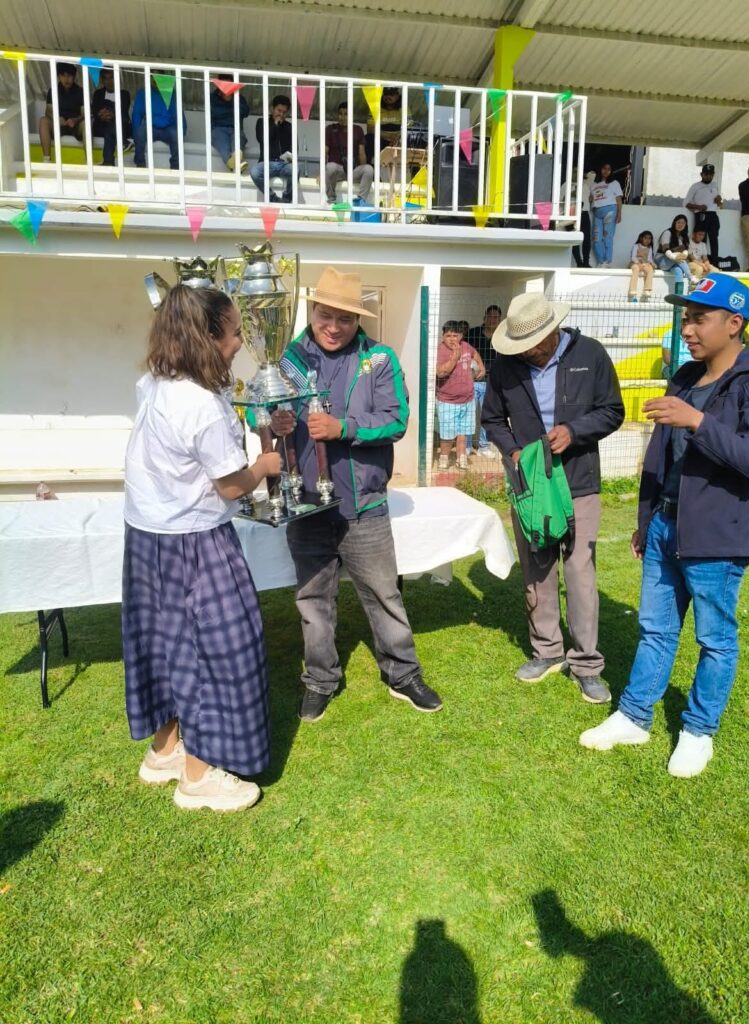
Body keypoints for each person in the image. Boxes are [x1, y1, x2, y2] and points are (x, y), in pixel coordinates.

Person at [580, 274, 749, 778]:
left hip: (718, 536)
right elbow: (659, 455)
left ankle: (698, 731)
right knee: (656, 629)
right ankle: (634, 717)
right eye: (686, 318)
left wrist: (698, 422)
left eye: (699, 318)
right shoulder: (684, 376)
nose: (687, 328)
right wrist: (646, 520)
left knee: (715, 638)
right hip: (666, 525)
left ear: (734, 323)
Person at [122, 285, 281, 812]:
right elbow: (231, 485)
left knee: (163, 645)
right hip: (193, 541)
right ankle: (198, 776)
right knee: (219, 649)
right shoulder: (201, 405)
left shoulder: (156, 382)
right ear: (205, 338)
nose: (238, 344)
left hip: (147, 536)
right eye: (233, 333)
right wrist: (264, 465)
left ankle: (164, 750)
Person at [274, 267, 443, 722]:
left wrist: (343, 428)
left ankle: (402, 673)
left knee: (384, 594)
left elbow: (396, 419)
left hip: (363, 505)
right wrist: (270, 421)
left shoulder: (379, 359)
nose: (333, 327)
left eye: (344, 319)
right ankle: (320, 679)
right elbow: (260, 409)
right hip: (306, 505)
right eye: (325, 316)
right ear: (312, 311)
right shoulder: (289, 359)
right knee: (313, 600)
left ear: (358, 320)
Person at [482, 293, 625, 703]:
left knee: (579, 571)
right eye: (522, 346)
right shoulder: (506, 365)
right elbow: (492, 419)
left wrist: (574, 432)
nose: (529, 352)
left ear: (552, 330)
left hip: (578, 481)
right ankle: (547, 651)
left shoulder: (591, 355)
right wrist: (514, 452)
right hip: (530, 485)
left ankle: (586, 664)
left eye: (535, 344)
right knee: (537, 569)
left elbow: (612, 411)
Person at [436, 320, 484, 471]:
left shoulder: (466, 346)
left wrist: (481, 367)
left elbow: (475, 353)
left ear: (461, 336)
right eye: (448, 335)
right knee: (447, 434)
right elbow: (440, 372)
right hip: (447, 401)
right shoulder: (440, 350)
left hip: (468, 399)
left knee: (463, 432)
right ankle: (444, 458)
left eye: (455, 335)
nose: (451, 339)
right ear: (443, 336)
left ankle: (461, 458)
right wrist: (455, 357)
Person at [466, 305, 503, 456]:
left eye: (496, 317)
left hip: (492, 383)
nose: (492, 320)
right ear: (484, 317)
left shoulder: (502, 336)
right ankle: (467, 446)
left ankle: (484, 446)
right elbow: (465, 354)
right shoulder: (473, 333)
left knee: (487, 415)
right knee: (468, 414)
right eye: (490, 316)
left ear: (500, 319)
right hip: (472, 381)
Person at [132, 72, 187, 171]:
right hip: (150, 128)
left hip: (167, 128)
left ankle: (175, 168)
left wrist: (182, 131)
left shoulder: (171, 93)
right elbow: (137, 113)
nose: (155, 81)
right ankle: (140, 165)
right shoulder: (143, 93)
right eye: (153, 78)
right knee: (140, 132)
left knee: (176, 134)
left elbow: (178, 114)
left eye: (158, 78)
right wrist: (136, 132)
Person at [325, 101, 374, 204]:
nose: (343, 117)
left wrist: (363, 172)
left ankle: (361, 201)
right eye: (340, 114)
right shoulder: (330, 129)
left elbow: (362, 153)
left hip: (353, 170)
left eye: (346, 114)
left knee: (369, 169)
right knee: (330, 167)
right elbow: (325, 151)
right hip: (337, 171)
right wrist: (321, 172)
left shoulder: (358, 130)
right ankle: (331, 199)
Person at [250, 95, 293, 202]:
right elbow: (262, 139)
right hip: (266, 163)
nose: (281, 114)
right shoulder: (261, 122)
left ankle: (286, 199)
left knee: (295, 170)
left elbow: (293, 148)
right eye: (279, 110)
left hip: (283, 164)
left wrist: (289, 157)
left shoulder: (289, 126)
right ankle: (273, 198)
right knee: (254, 171)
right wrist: (275, 124)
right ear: (272, 109)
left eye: (284, 112)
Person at [39, 62, 84, 161]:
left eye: (69, 76)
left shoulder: (80, 91)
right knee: (43, 121)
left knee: (86, 124)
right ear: (59, 76)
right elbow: (48, 112)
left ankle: (88, 161)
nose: (66, 79)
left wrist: (75, 120)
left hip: (76, 126)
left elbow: (85, 113)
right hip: (58, 126)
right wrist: (57, 119)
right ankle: (46, 159)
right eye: (63, 75)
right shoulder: (53, 91)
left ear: (74, 76)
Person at [209, 73, 250, 172]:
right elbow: (215, 113)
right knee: (224, 146)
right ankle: (237, 165)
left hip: (236, 129)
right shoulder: (212, 97)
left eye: (229, 85)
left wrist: (232, 100)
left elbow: (245, 112)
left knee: (238, 142)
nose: (226, 88)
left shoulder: (238, 97)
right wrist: (230, 107)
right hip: (218, 129)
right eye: (224, 85)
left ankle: (235, 161)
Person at [90, 68, 131, 167]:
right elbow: (95, 111)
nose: (109, 81)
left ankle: (108, 162)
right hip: (102, 126)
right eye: (105, 78)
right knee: (109, 128)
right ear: (102, 81)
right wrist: (101, 115)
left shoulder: (124, 94)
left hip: (120, 125)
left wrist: (112, 114)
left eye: (111, 78)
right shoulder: (98, 94)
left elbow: (124, 111)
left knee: (112, 126)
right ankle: (124, 142)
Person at [685, 163, 723, 263]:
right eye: (706, 174)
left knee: (714, 240)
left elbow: (719, 204)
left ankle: (714, 263)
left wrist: (719, 201)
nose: (708, 176)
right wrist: (699, 207)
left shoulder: (715, 185)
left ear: (713, 174)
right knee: (701, 240)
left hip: (713, 215)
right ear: (701, 174)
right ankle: (700, 262)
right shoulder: (695, 186)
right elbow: (686, 203)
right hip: (701, 215)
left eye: (711, 174)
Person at [589, 163, 622, 266]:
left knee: (607, 237)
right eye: (604, 168)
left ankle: (607, 262)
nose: (606, 171)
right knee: (596, 239)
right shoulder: (593, 184)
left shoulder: (614, 183)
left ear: (611, 171)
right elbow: (590, 199)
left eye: (609, 169)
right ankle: (601, 261)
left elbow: (618, 199)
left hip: (610, 210)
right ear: (600, 169)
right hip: (597, 212)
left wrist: (619, 213)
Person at [364, 86, 403, 164]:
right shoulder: (375, 108)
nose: (388, 97)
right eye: (385, 94)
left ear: (397, 96)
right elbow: (370, 129)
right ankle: (370, 166)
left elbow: (410, 129)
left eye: (391, 94)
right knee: (368, 138)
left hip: (397, 141)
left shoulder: (404, 109)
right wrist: (387, 136)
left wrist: (396, 139)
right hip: (380, 141)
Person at [655, 214, 693, 287]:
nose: (680, 225)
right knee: (678, 255)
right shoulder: (667, 233)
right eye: (678, 222)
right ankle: (690, 277)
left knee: (678, 271)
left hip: (673, 262)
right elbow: (666, 249)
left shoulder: (684, 236)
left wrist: (684, 255)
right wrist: (675, 257)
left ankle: (678, 292)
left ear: (685, 225)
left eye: (683, 223)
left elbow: (686, 250)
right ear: (674, 223)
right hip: (662, 260)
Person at [627, 230, 655, 302]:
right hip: (634, 263)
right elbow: (633, 257)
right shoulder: (636, 246)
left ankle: (647, 290)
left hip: (644, 264)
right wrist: (638, 263)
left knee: (650, 269)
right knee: (636, 268)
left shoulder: (649, 248)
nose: (647, 240)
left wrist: (652, 264)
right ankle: (632, 290)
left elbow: (649, 259)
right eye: (645, 238)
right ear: (641, 238)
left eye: (649, 238)